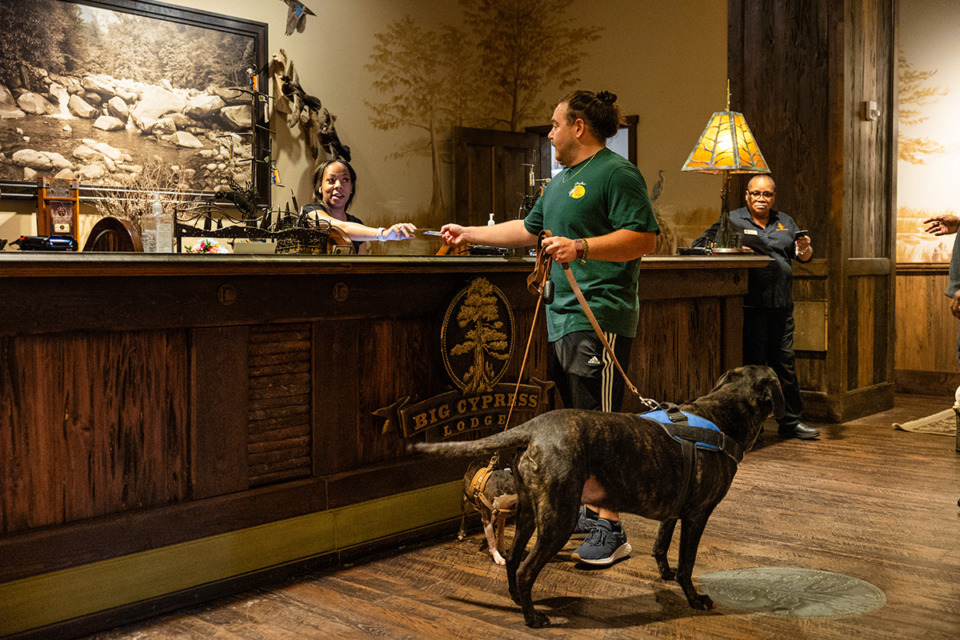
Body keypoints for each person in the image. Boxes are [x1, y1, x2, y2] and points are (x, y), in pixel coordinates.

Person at [441, 90, 660, 566]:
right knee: (574, 427)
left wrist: (581, 248)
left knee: (600, 430)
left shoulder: (617, 173)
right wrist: (469, 233)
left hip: (600, 315)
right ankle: (589, 507)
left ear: (579, 126)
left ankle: (612, 527)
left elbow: (644, 237)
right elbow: (527, 228)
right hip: (560, 318)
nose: (551, 132)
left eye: (555, 124)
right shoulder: (561, 181)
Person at [693, 175, 819, 439]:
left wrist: (806, 249)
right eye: (757, 194)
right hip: (750, 306)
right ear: (747, 195)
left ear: (774, 197)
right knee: (752, 367)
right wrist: (729, 249)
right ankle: (752, 424)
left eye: (767, 195)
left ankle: (790, 422)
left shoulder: (786, 222)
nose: (762, 199)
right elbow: (700, 245)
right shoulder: (733, 219)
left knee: (785, 365)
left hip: (782, 306)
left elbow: (802, 257)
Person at [302, 159, 416, 253]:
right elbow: (341, 228)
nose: (338, 185)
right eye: (331, 180)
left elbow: (360, 265)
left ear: (351, 188)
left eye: (345, 180)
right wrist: (384, 234)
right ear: (320, 187)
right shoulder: (310, 212)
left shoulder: (357, 224)